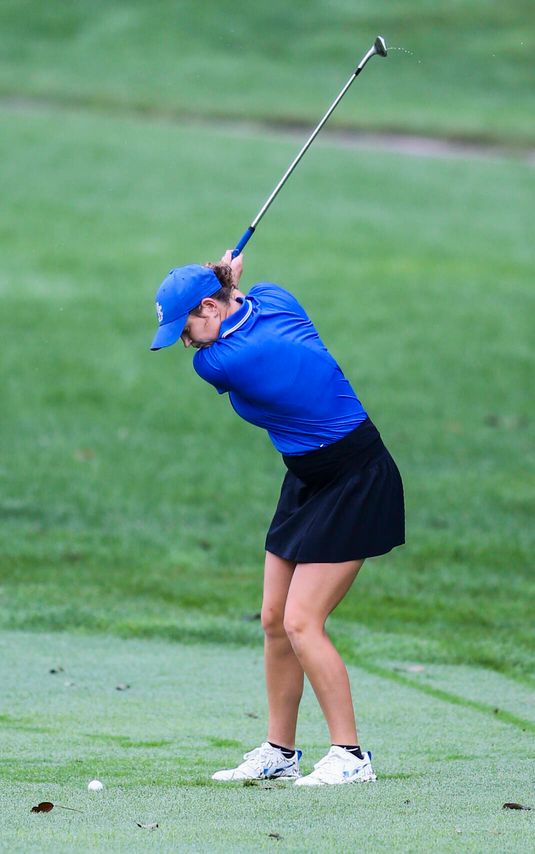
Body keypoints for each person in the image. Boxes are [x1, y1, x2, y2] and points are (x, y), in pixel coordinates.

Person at [150, 251, 405, 786]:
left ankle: (350, 756)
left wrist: (224, 279)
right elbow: (250, 302)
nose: (186, 343)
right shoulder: (275, 298)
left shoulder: (218, 363)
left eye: (186, 329)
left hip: (355, 476)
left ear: (208, 308)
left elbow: (228, 332)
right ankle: (280, 752)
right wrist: (229, 283)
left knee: (301, 621)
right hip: (308, 476)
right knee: (273, 618)